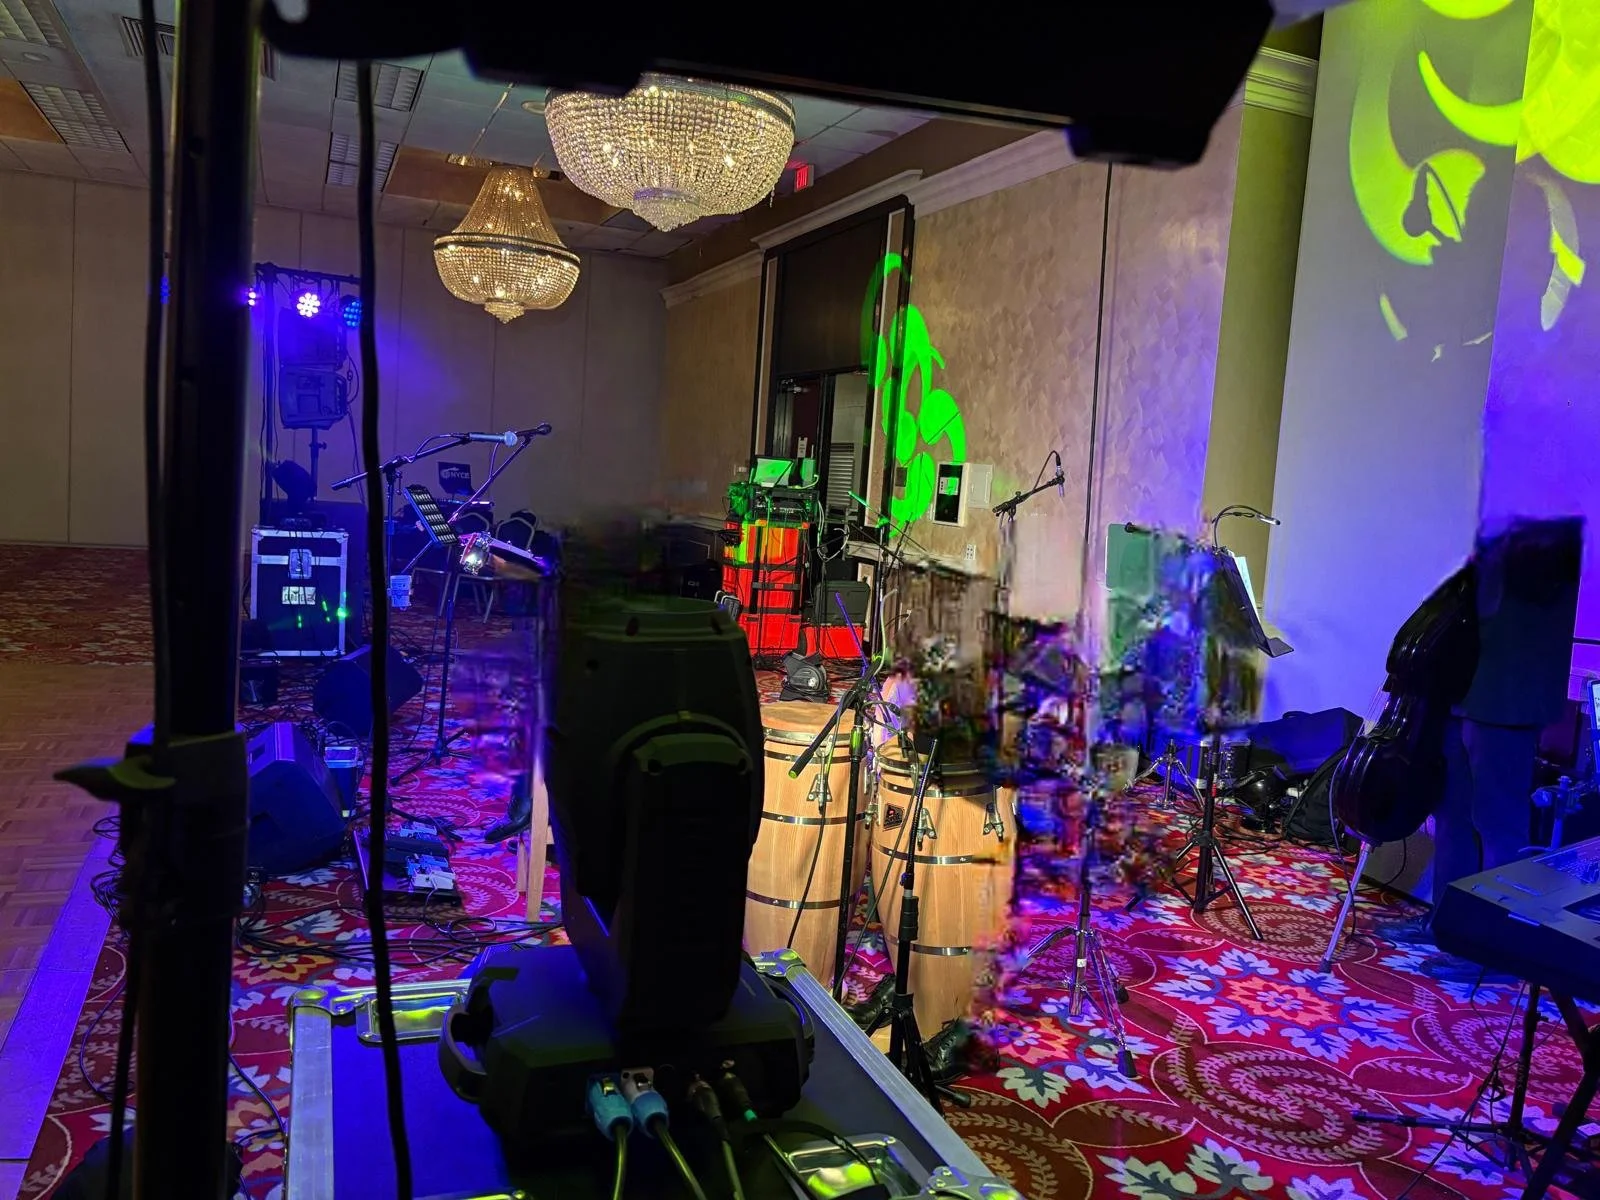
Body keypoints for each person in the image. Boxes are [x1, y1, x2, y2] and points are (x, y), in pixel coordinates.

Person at [1429, 517, 1584, 910]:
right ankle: (1444, 923)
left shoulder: (1557, 525)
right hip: (1463, 688)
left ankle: (1486, 937)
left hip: (1506, 697)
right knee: (1452, 817)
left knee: (1498, 828)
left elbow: (1520, 591)